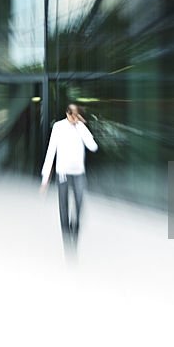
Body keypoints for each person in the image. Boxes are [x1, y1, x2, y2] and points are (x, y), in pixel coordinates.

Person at [40, 103, 98, 246]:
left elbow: (93, 147)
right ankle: (67, 239)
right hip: (63, 173)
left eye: (76, 114)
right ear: (67, 113)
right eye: (72, 114)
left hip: (78, 173)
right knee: (63, 206)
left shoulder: (81, 127)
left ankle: (75, 230)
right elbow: (51, 151)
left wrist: (81, 127)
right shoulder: (58, 127)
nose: (74, 117)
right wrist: (45, 179)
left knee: (79, 204)